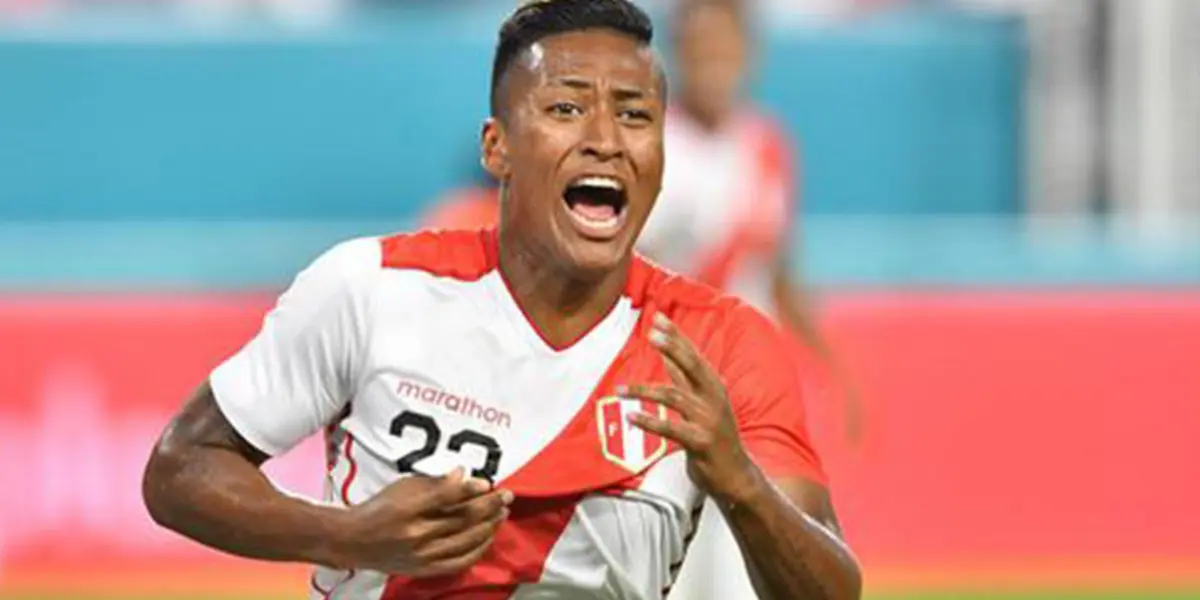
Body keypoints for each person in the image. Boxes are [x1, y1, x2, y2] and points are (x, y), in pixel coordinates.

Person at [141, 1, 861, 598]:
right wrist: (347, 535)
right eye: (566, 108)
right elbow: (180, 468)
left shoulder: (724, 345)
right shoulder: (371, 287)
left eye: (635, 116)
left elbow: (832, 589)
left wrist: (741, 485)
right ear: (497, 148)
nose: (605, 140)